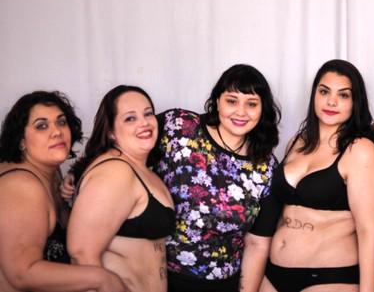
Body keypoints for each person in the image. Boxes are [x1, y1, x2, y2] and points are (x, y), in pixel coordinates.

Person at [241, 59, 374, 292]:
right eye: (324, 91)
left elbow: (368, 233)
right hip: (273, 275)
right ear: (314, 95)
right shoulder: (296, 142)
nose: (331, 101)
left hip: (326, 278)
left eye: (343, 95)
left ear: (355, 102)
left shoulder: (360, 150)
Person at [156, 64, 281, 292]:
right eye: (232, 101)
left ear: (263, 109)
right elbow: (127, 153)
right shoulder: (179, 127)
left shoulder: (267, 167)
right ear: (217, 101)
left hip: (224, 284)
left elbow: (257, 244)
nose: (241, 112)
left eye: (251, 104)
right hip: (160, 277)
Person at [0, 90, 126, 292]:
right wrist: (103, 279)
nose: (57, 132)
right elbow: (21, 274)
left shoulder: (52, 172)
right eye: (41, 126)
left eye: (61, 122)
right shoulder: (22, 185)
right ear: (21, 140)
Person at [67, 85, 175, 292]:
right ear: (110, 132)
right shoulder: (115, 172)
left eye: (148, 113)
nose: (144, 123)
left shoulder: (142, 169)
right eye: (130, 118)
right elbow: (81, 254)